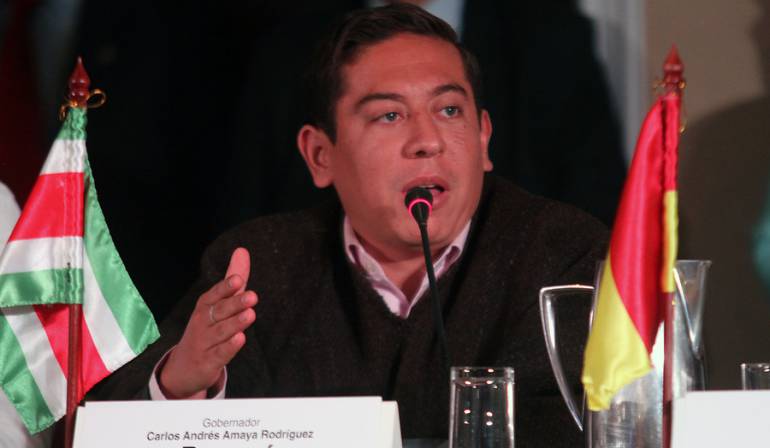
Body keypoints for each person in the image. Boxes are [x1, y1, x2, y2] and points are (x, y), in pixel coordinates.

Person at [98, 4, 607, 445]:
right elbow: (108, 418)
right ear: (320, 155)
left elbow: (586, 429)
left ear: (482, 137)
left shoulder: (563, 256)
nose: (426, 141)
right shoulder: (258, 268)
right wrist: (179, 384)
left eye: (450, 110)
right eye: (390, 116)